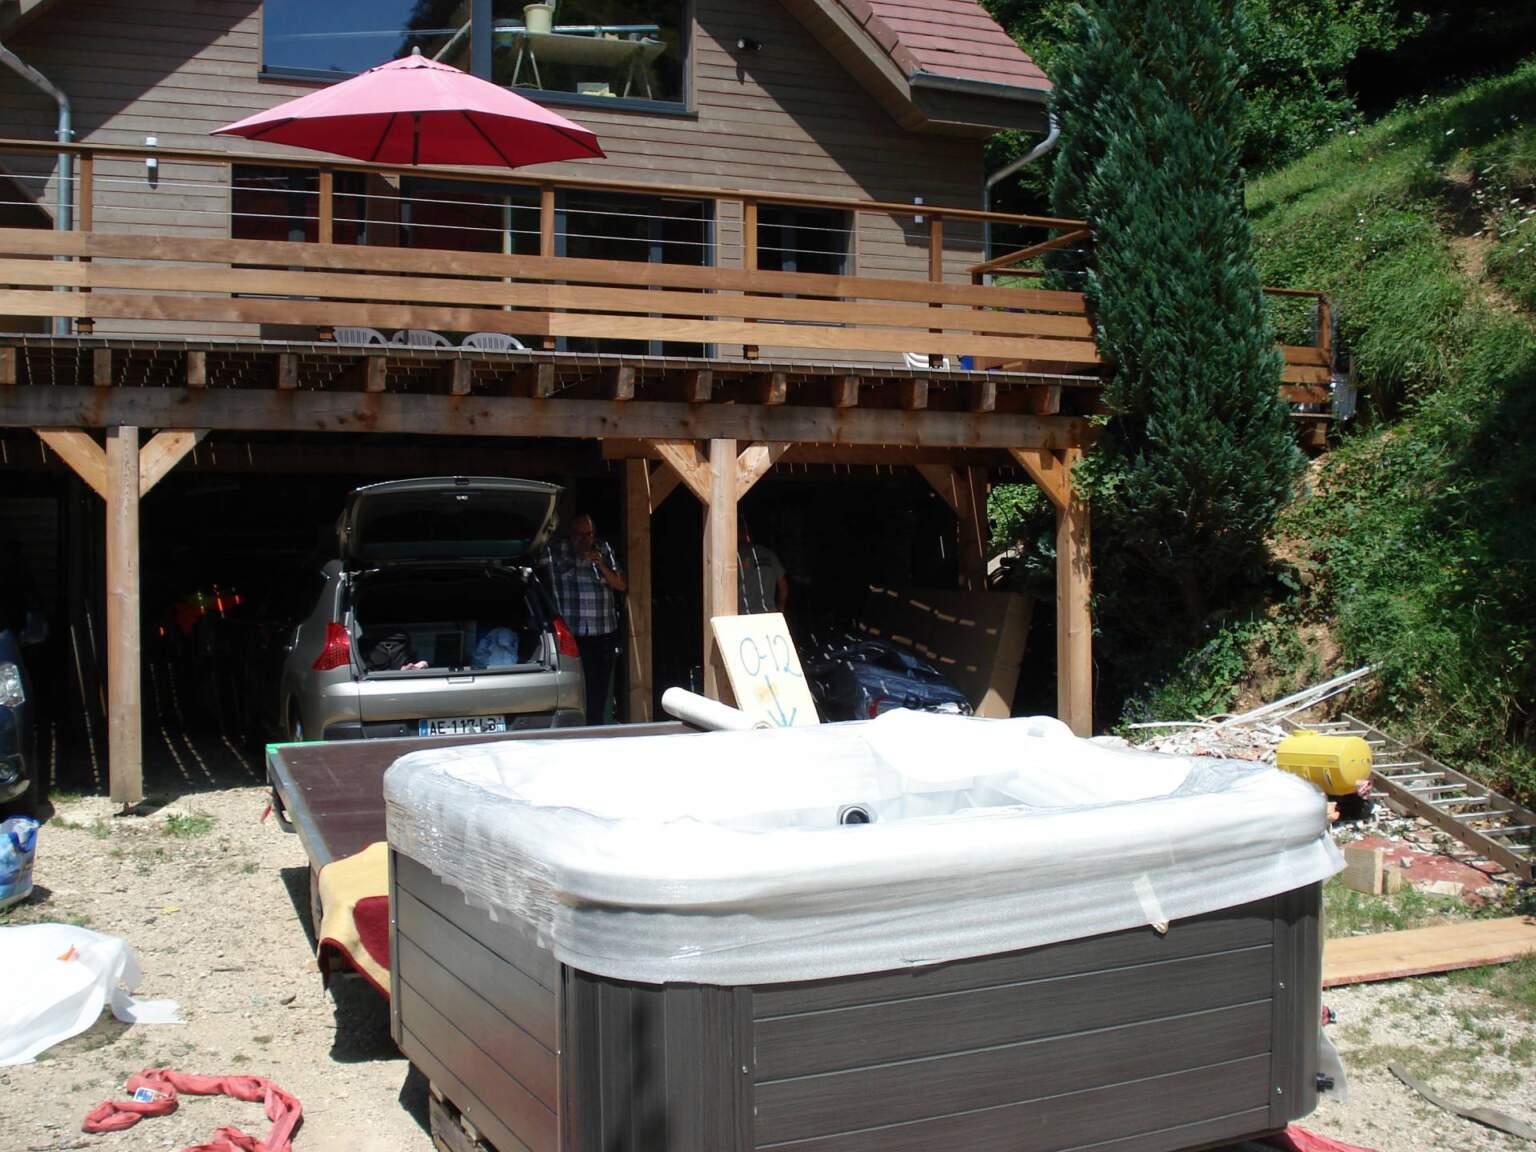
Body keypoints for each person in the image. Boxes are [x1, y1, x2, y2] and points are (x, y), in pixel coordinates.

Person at [544, 513, 626, 724]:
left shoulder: (603, 549)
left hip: (603, 630)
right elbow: (553, 571)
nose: (585, 539)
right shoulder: (557, 550)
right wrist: (580, 558)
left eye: (589, 534)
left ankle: (596, 726)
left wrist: (601, 564)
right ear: (571, 534)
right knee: (578, 686)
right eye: (580, 535)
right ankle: (578, 727)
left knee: (600, 687)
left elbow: (621, 585)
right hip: (575, 633)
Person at [738, 518, 788, 615]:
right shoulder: (770, 555)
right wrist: (781, 607)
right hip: (770, 615)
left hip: (746, 617)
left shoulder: (735, 558)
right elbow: (783, 586)